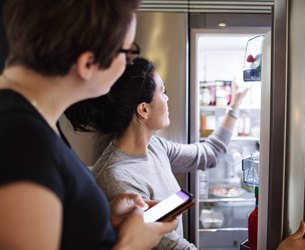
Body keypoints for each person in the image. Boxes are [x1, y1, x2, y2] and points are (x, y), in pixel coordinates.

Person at [65, 57, 305, 250]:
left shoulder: (155, 147)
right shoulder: (118, 179)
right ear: (143, 109)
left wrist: (234, 106)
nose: (168, 99)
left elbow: (209, 153)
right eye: (162, 92)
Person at [0, 1, 177, 249]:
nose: (127, 64)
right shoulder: (23, 142)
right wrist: (130, 245)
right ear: (87, 63)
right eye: (127, 52)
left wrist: (104, 219)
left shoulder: (32, 120)